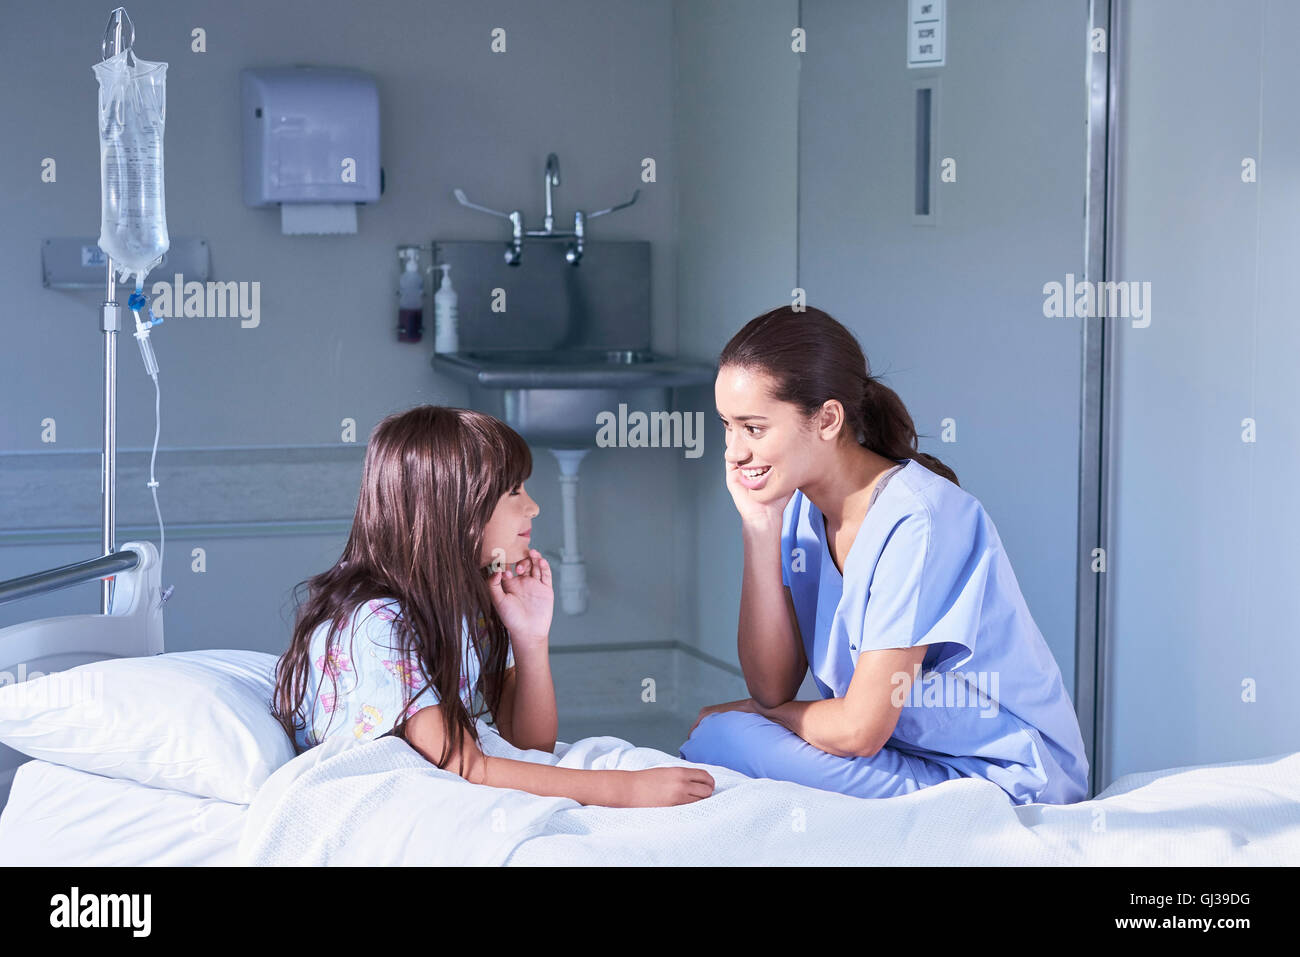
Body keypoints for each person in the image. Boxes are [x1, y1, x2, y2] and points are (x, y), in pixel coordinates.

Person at [678, 306, 1090, 805]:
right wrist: (759, 526)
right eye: (727, 425)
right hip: (910, 752)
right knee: (720, 739)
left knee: (724, 737)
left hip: (1008, 777)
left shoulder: (918, 518)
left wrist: (758, 714)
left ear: (827, 419)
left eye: (754, 428)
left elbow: (858, 730)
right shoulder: (798, 510)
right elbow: (771, 686)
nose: (733, 451)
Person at [271, 405, 714, 809]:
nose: (534, 507)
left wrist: (530, 637)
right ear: (455, 511)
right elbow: (464, 765)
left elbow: (531, 744)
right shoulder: (378, 624)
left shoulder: (467, 603)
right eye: (514, 493)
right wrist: (628, 790)